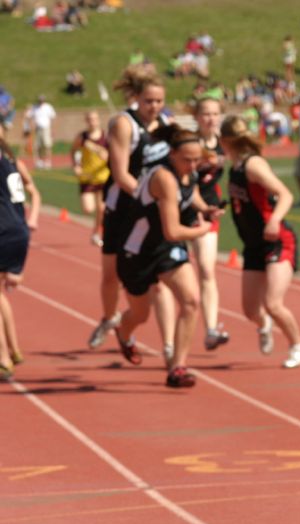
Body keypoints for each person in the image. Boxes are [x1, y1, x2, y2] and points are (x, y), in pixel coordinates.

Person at [114, 125, 219, 388]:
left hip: (165, 250)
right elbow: (172, 231)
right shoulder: (164, 178)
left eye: (198, 159)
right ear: (172, 155)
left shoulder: (189, 174)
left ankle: (177, 367)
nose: (194, 165)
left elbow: (191, 193)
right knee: (140, 315)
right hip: (137, 251)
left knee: (191, 301)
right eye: (188, 160)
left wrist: (206, 209)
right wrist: (203, 230)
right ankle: (123, 333)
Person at [87, 66, 176, 368]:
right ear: (137, 98)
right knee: (111, 276)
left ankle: (169, 348)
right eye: (149, 101)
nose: (155, 107)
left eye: (160, 101)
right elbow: (121, 172)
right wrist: (146, 195)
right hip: (123, 209)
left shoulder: (167, 123)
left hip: (151, 213)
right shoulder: (124, 125)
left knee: (160, 280)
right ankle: (109, 317)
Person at [219, 115, 300, 369]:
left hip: (277, 240)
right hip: (253, 244)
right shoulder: (234, 166)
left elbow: (285, 194)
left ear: (225, 141)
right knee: (250, 311)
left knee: (272, 303)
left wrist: (274, 220)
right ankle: (264, 326)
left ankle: (298, 346)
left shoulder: (253, 165)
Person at [189, 97, 229, 350]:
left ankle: (211, 329)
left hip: (210, 211)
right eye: (206, 114)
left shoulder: (225, 144)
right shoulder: (189, 145)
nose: (211, 118)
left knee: (206, 268)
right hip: (182, 211)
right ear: (197, 117)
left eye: (215, 114)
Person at [0, 128, 39, 379]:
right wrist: (32, 218)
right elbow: (32, 192)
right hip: (17, 230)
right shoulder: (12, 160)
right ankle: (13, 349)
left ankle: (3, 358)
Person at [70, 111, 109, 246]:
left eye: (94, 119)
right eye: (89, 119)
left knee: (102, 209)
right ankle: (96, 231)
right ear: (86, 121)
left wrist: (98, 149)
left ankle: (96, 233)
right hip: (87, 178)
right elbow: (73, 150)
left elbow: (108, 155)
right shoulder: (83, 137)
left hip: (103, 177)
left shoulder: (106, 136)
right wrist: (76, 165)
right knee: (88, 209)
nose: (92, 121)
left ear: (98, 120)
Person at [24, 95, 56, 169]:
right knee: (37, 145)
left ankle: (48, 161)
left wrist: (53, 129)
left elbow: (53, 117)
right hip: (37, 129)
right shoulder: (34, 107)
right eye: (40, 100)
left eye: (42, 100)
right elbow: (27, 115)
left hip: (46, 128)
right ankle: (39, 162)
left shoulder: (48, 107)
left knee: (47, 145)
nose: (41, 101)